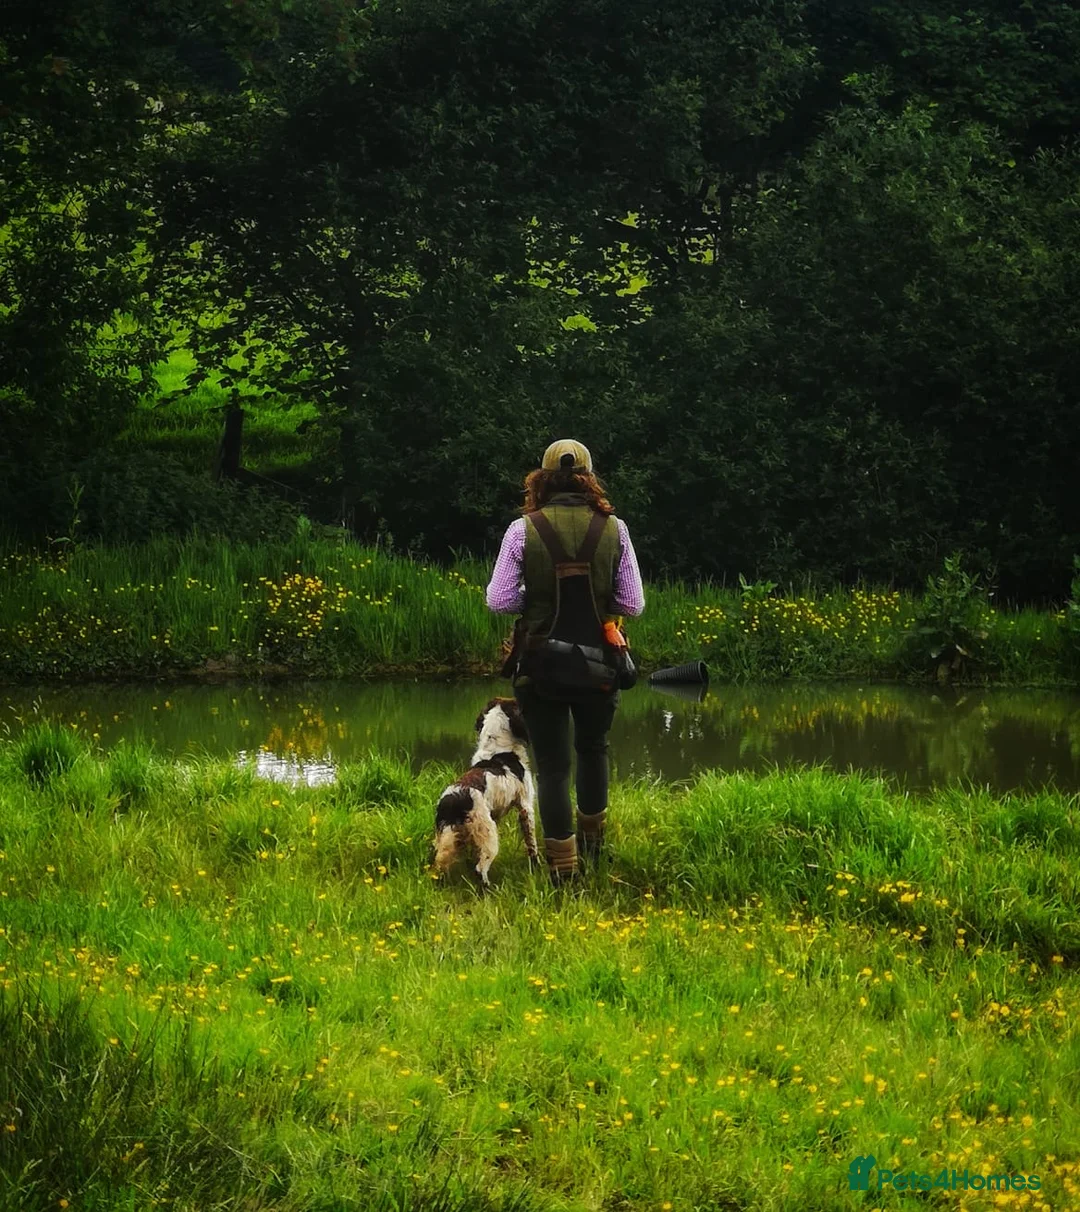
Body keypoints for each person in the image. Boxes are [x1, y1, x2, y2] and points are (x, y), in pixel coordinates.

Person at [486, 439, 645, 885]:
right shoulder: (616, 529)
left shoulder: (522, 530)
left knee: (553, 766)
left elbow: (498, 599)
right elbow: (632, 603)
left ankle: (563, 869)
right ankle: (596, 850)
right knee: (593, 750)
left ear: (541, 478)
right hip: (600, 665)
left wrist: (534, 599)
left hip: (539, 667)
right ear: (589, 477)